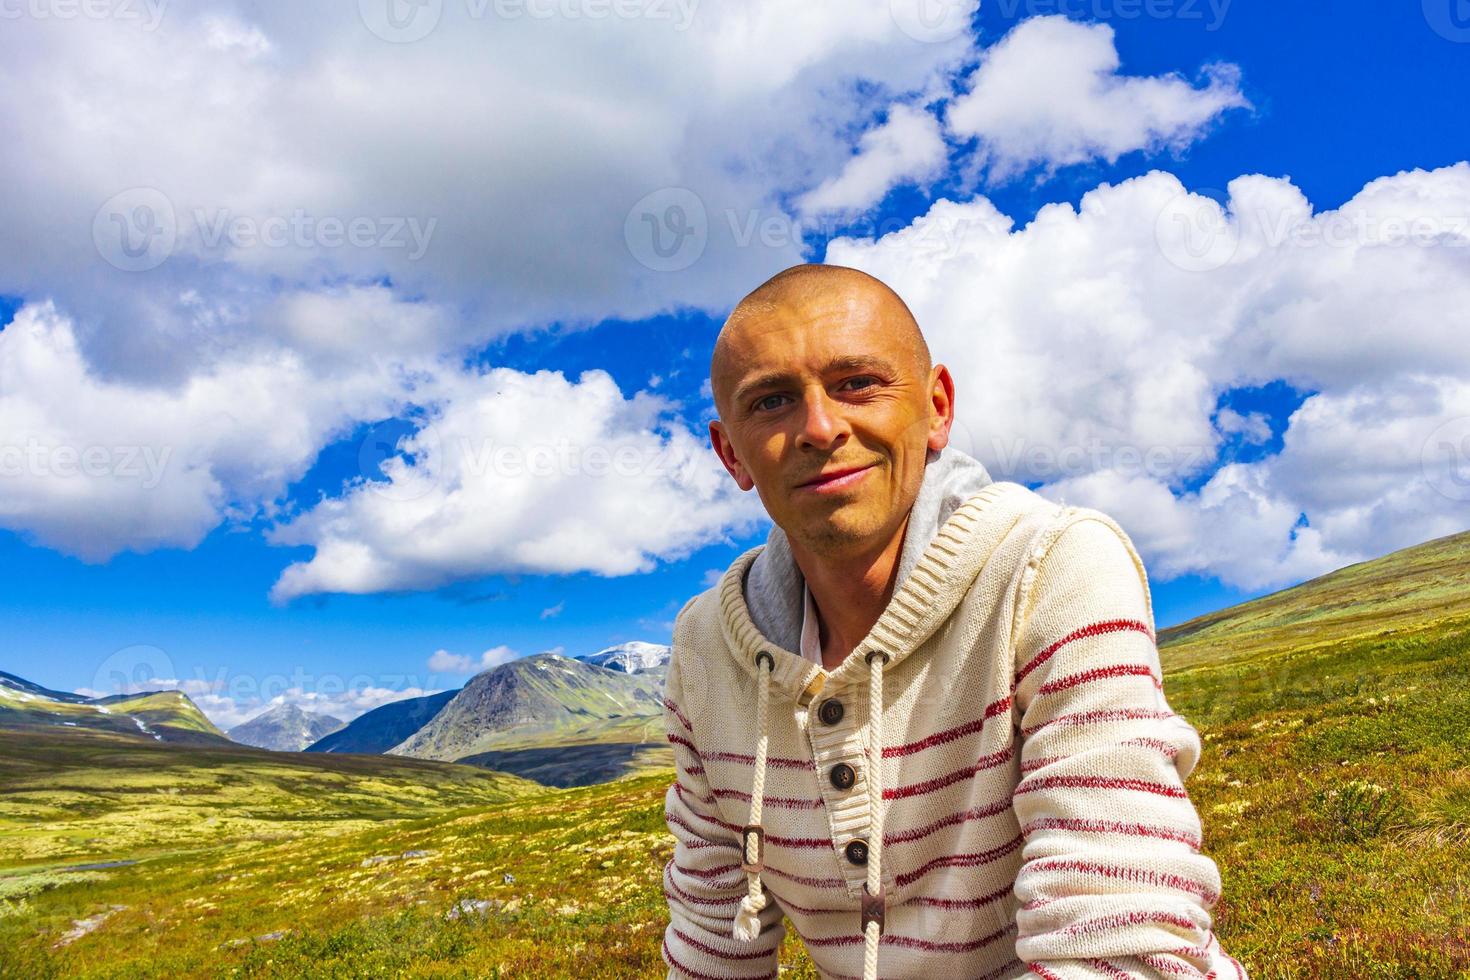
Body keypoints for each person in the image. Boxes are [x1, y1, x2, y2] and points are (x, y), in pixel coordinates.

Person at [659, 264, 1246, 980]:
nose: (819, 427)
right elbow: (711, 938)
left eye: (857, 384)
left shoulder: (1053, 567)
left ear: (937, 406)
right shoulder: (704, 649)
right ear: (731, 455)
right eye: (772, 401)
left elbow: (1121, 941)